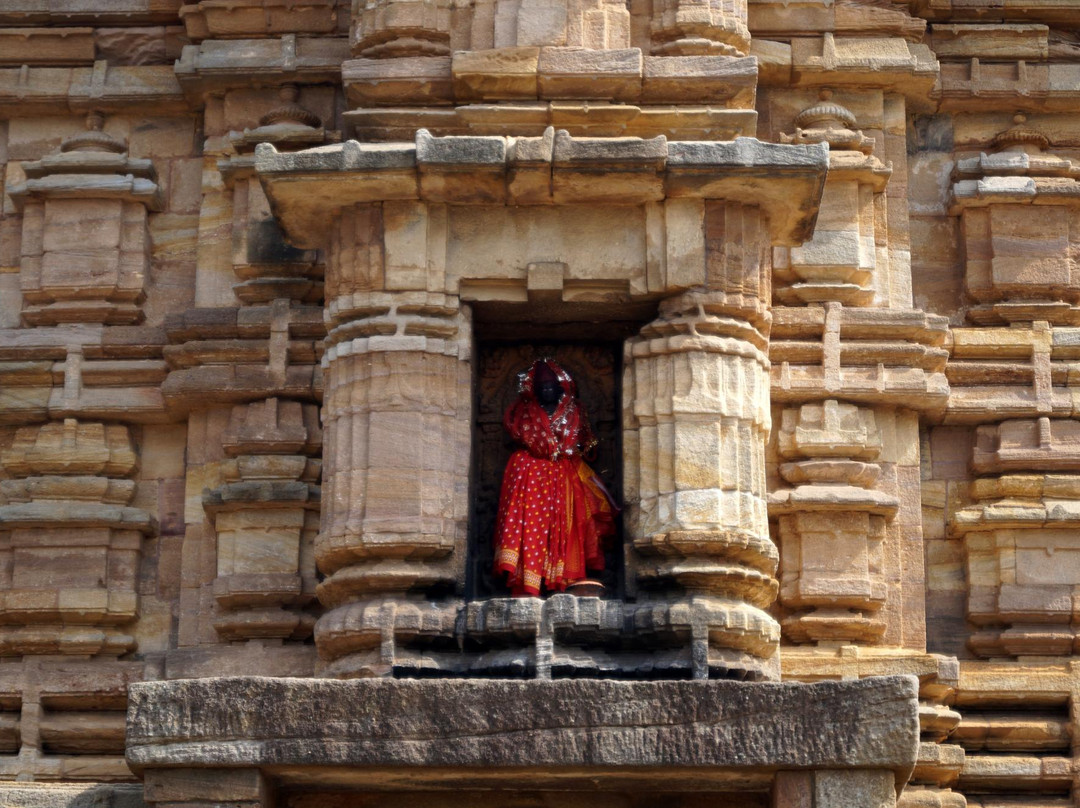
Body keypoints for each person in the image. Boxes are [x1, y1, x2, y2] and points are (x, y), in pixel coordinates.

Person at [493, 358, 617, 596]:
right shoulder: (524, 413)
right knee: (530, 526)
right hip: (530, 474)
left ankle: (566, 579)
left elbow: (587, 442)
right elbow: (516, 436)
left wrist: (573, 451)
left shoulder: (574, 411)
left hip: (565, 476)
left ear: (561, 388)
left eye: (552, 387)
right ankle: (529, 579)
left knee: (570, 527)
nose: (548, 391)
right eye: (543, 388)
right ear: (535, 391)